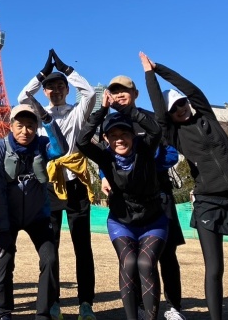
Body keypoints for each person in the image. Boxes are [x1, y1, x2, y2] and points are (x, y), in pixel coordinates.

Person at [143, 54, 228, 320]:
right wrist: (150, 74)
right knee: (215, 269)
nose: (180, 109)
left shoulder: (208, 119)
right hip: (209, 203)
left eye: (182, 103)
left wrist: (161, 69)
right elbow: (159, 108)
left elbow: (193, 90)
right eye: (174, 109)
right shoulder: (174, 134)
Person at [98, 70, 187, 320]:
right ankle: (138, 304)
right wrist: (104, 176)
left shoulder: (150, 119)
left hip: (158, 195)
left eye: (124, 91)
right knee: (132, 258)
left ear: (135, 93)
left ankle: (173, 306)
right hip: (125, 200)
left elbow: (172, 154)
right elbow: (104, 158)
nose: (119, 96)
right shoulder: (110, 123)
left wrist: (144, 167)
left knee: (167, 253)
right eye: (115, 92)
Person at [17, 49, 97, 320]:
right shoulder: (39, 114)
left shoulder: (77, 113)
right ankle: (53, 302)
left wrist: (67, 69)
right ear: (45, 91)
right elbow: (22, 97)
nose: (56, 91)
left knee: (82, 246)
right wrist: (42, 73)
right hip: (50, 184)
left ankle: (86, 303)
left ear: (67, 89)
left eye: (60, 86)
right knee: (51, 246)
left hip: (75, 184)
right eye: (50, 87)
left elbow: (89, 93)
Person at [78, 83, 166, 320]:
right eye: (113, 135)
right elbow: (82, 141)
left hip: (152, 219)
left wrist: (125, 109)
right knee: (128, 263)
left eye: (124, 134)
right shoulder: (105, 156)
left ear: (133, 135)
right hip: (121, 220)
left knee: (146, 264)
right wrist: (102, 110)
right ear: (106, 139)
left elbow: (155, 130)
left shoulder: (144, 150)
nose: (119, 140)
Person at [0, 101, 69, 320]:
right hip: (9, 215)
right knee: (4, 259)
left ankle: (43, 312)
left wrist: (48, 121)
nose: (25, 130)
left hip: (38, 215)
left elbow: (61, 149)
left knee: (50, 259)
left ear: (36, 127)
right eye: (20, 125)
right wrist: (2, 227)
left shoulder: (42, 145)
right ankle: (3, 311)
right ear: (11, 126)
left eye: (31, 125)